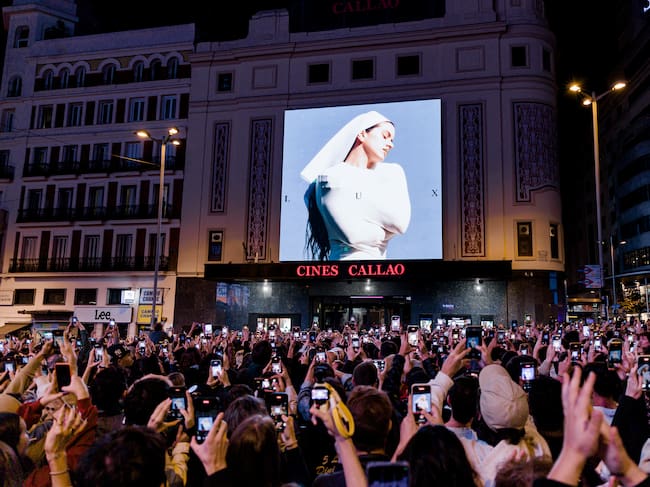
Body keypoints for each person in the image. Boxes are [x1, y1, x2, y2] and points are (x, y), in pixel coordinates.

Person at [301, 110, 411, 260]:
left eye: (392, 140)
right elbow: (353, 236)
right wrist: (384, 232)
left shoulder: (392, 171)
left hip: (381, 273)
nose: (390, 144)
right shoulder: (331, 177)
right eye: (385, 136)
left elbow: (400, 223)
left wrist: (355, 202)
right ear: (362, 134)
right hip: (340, 273)